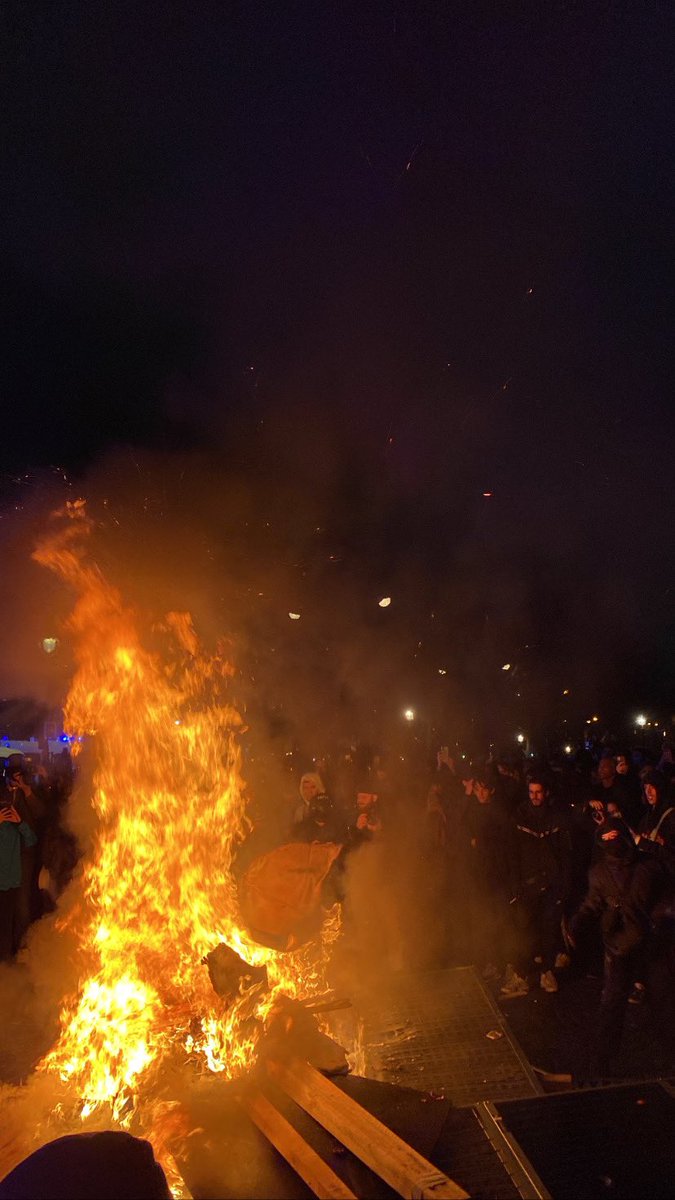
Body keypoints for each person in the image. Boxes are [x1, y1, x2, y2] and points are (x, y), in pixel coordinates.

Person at [566, 816, 659, 1079]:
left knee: (614, 1006)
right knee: (615, 1005)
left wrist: (576, 923)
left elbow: (591, 905)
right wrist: (576, 923)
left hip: (633, 947)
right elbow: (593, 904)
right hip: (632, 947)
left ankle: (602, 1065)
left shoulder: (642, 869)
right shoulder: (644, 868)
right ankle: (603, 1064)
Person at [502, 773, 572, 996]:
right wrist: (515, 885)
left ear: (546, 793)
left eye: (538, 792)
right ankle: (521, 976)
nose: (535, 796)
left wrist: (563, 885)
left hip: (551, 884)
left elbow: (565, 854)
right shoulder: (520, 818)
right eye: (531, 792)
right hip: (527, 885)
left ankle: (546, 973)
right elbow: (512, 854)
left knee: (549, 930)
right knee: (524, 931)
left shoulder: (556, 819)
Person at [0, 777, 38, 960]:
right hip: (5, 880)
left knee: (10, 921)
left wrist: (20, 822)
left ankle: (8, 959)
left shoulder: (16, 822)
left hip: (12, 880)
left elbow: (31, 840)